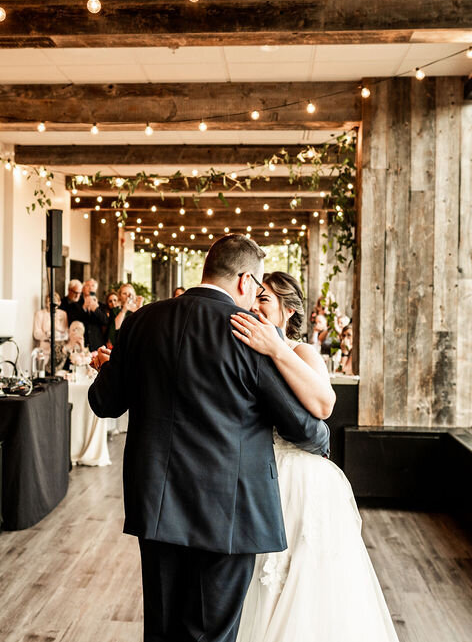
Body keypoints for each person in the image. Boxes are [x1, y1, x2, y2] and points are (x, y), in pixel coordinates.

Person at [88, 234, 329, 642]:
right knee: (210, 634)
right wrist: (322, 437)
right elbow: (301, 426)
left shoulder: (142, 320)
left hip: (158, 504)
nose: (254, 298)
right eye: (256, 287)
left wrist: (112, 369)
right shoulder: (248, 332)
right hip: (228, 511)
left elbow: (104, 403)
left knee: (161, 630)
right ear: (244, 280)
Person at [229, 273, 398, 642]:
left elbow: (323, 404)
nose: (255, 306)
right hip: (258, 470)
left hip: (300, 475)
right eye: (254, 298)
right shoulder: (241, 345)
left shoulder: (301, 351)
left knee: (303, 574)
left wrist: (275, 349)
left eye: (265, 300)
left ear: (288, 311)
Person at [32, 292, 67, 357]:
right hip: (44, 348)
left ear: (59, 302)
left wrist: (58, 334)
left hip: (60, 349)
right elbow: (36, 334)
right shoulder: (40, 314)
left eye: (55, 301)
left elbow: (66, 333)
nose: (52, 304)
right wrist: (47, 335)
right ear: (46, 303)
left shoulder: (63, 314)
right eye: (49, 301)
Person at [79, 277, 109, 351]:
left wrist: (96, 309)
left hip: (97, 343)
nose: (90, 288)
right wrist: (84, 308)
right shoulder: (77, 304)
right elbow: (75, 320)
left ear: (95, 289)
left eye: (93, 286)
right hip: (81, 342)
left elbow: (105, 321)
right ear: (83, 289)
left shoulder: (101, 306)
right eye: (87, 285)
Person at [106, 282, 136, 346]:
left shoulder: (137, 309)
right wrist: (124, 310)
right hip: (120, 343)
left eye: (130, 294)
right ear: (119, 296)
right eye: (124, 293)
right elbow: (116, 327)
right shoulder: (115, 310)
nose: (128, 296)